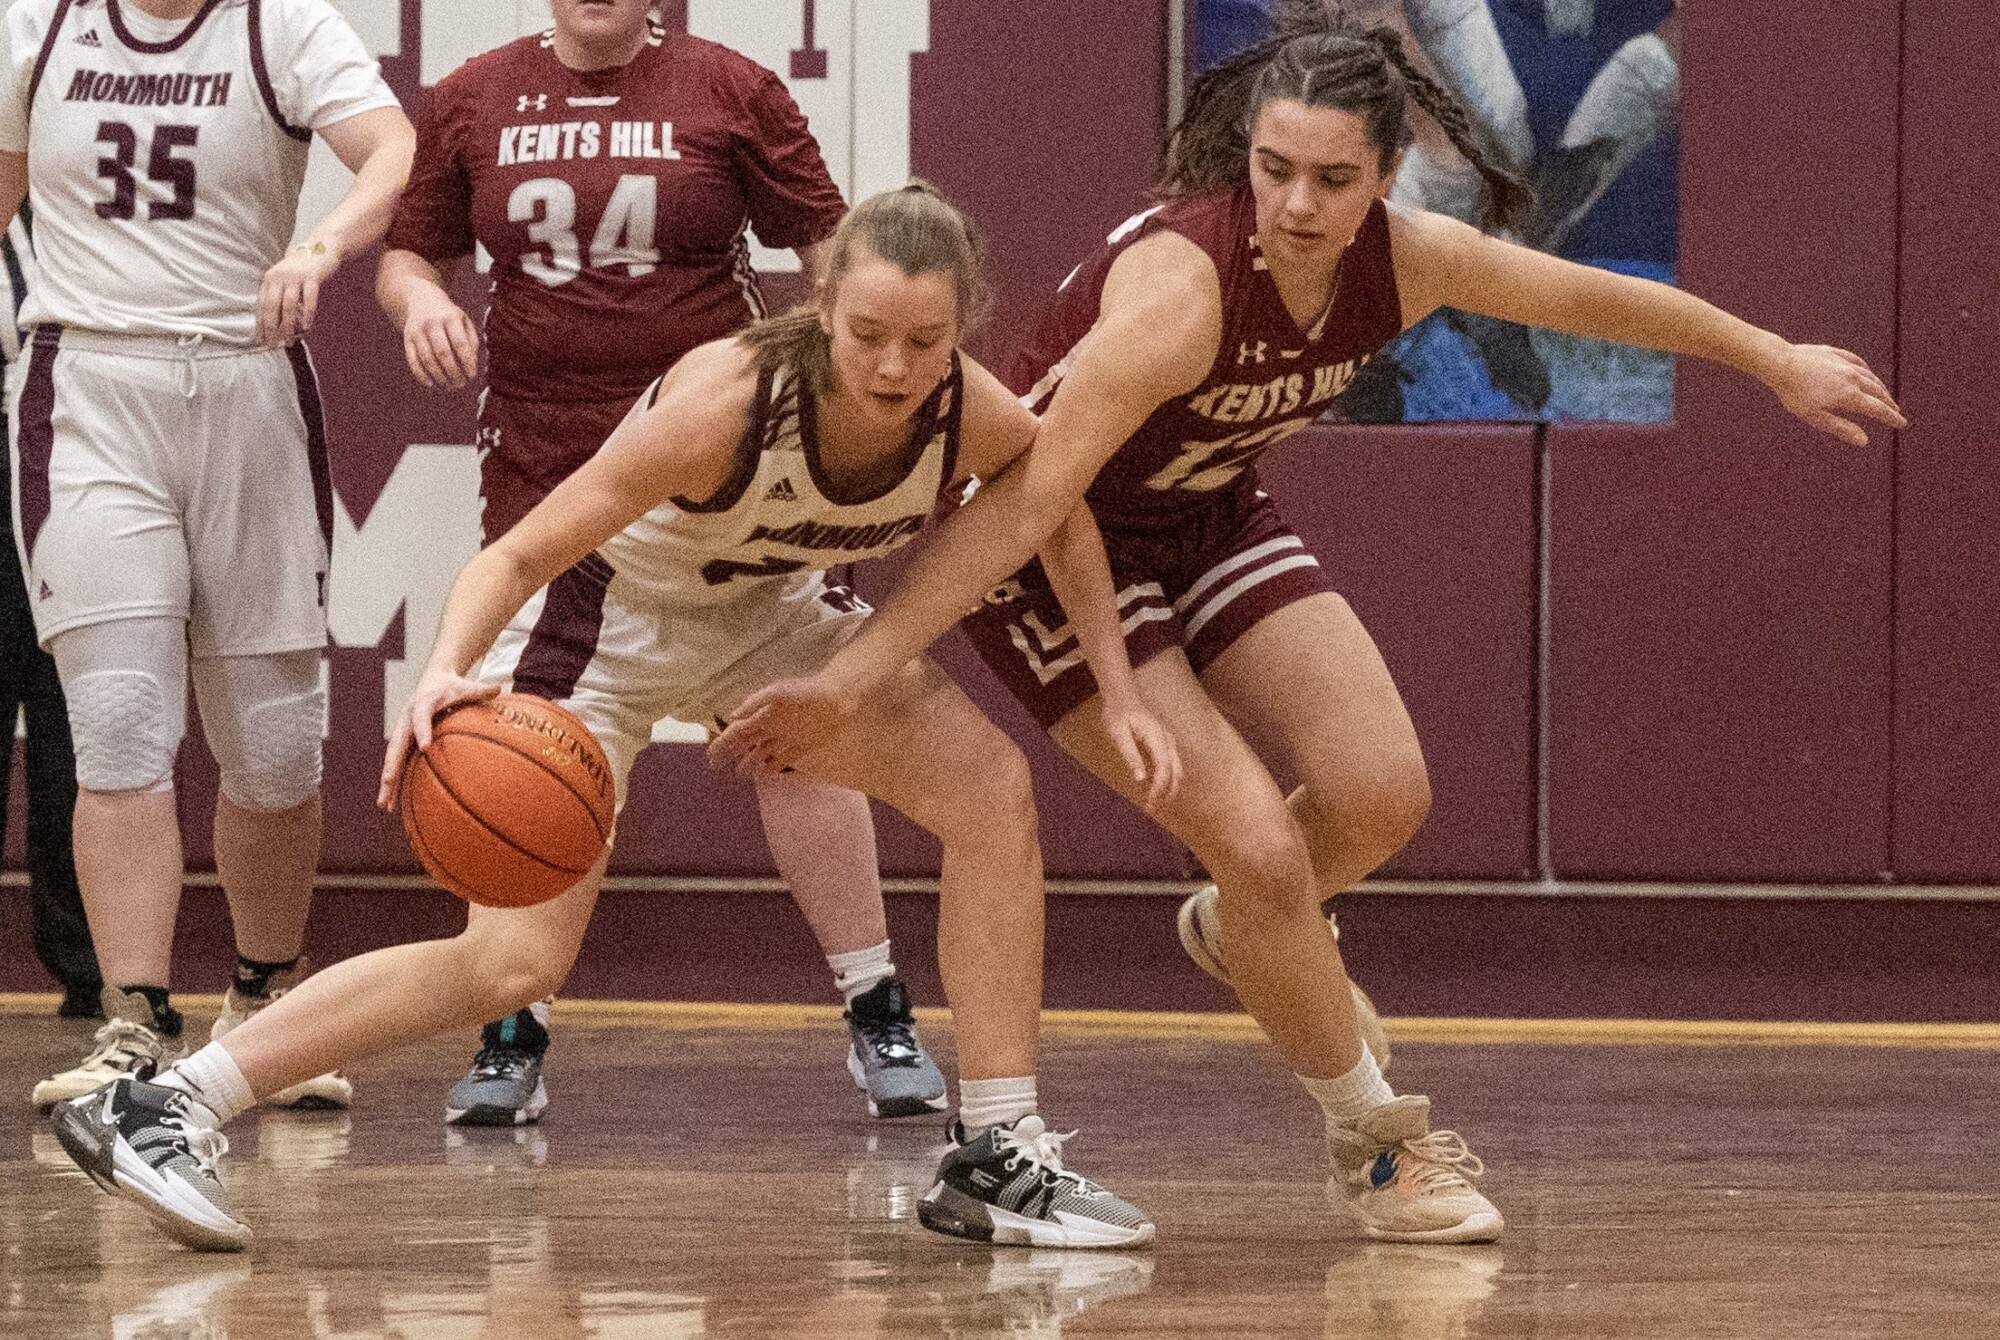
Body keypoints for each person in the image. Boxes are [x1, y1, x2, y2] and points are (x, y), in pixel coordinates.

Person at [711, 1, 1903, 1245]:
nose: (1295, 203)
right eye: (1273, 169)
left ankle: (1246, 927)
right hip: (1053, 549)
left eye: (1333, 178)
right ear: (1246, 158)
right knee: (1263, 850)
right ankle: (1379, 1147)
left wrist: (1771, 356)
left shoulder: (1406, 254)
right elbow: (1024, 507)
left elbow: (1584, 297)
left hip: (1206, 511)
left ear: (1386, 175)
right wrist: (850, 678)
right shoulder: (1179, 293)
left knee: (1381, 792)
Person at [51, 184, 1177, 1254]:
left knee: (990, 791)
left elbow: (1053, 504)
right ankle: (165, 1102)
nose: (893, 365)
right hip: (601, 627)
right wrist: (442, 669)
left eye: (923, 342)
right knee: (510, 962)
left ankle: (993, 1152)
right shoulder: (722, 405)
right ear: (820, 305)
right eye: (868, 331)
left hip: (770, 617)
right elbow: (523, 551)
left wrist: (1118, 684)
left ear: (958, 332)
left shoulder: (963, 407)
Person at [377, 0, 947, 1127]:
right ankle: (513, 1016)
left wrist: (863, 378)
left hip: (732, 471)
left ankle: (875, 997)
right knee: (540, 747)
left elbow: (836, 257)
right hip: (552, 470)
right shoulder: (472, 94)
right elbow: (409, 251)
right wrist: (421, 298)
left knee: (802, 733)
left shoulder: (730, 87)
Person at [1, 0, 415, 1110]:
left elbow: (394, 147)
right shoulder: (37, 26)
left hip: (247, 380)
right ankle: (132, 1020)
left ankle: (264, 1003)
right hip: (87, 382)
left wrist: (319, 243)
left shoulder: (280, 25)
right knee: (120, 722)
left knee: (277, 745)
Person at [0, 218, 98, 1019]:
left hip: (70, 461)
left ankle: (99, 967)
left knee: (85, 726)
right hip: (45, 450)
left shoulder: (73, 213)